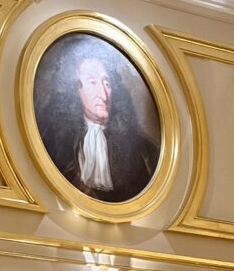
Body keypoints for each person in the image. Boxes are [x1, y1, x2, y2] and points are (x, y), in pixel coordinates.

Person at [37, 47, 159, 203]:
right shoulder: (53, 141)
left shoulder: (142, 149)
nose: (103, 94)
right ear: (76, 89)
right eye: (92, 82)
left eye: (107, 83)